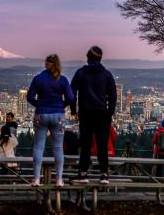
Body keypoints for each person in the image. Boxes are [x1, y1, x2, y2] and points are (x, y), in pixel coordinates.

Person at [70, 46, 117, 184]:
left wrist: (73, 110)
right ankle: (104, 175)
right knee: (102, 144)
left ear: (88, 58)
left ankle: (83, 174)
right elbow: (113, 96)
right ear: (100, 58)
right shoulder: (107, 74)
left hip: (86, 113)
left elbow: (72, 93)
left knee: (86, 144)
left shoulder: (80, 73)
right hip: (102, 113)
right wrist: (110, 112)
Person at [27, 54, 74, 187]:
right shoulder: (63, 80)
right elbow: (70, 98)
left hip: (41, 114)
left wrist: (40, 105)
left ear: (46, 64)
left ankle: (36, 179)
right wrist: (61, 106)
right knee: (58, 148)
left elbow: (29, 97)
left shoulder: (38, 79)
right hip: (58, 115)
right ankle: (59, 179)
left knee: (38, 147)